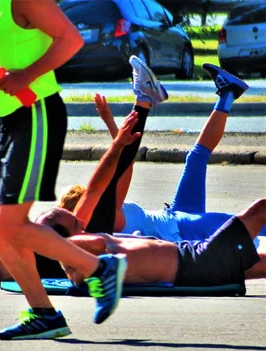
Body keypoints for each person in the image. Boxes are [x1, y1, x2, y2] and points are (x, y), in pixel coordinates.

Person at [0, 0, 130, 340]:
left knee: (12, 222)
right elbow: (4, 55)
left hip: (36, 115)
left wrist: (26, 76)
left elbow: (70, 40)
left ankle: (100, 268)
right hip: (8, 122)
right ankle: (44, 314)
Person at [59, 62, 265, 243]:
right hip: (180, 230)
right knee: (248, 223)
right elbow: (124, 165)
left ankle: (228, 93)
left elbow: (121, 160)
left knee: (195, 157)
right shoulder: (110, 218)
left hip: (175, 217)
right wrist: (113, 126)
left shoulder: (104, 218)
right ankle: (146, 97)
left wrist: (110, 123)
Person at [40, 199, 266, 289]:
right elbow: (98, 243)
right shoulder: (79, 258)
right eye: (75, 224)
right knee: (261, 209)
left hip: (191, 255)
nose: (81, 221)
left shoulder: (81, 256)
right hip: (196, 263)